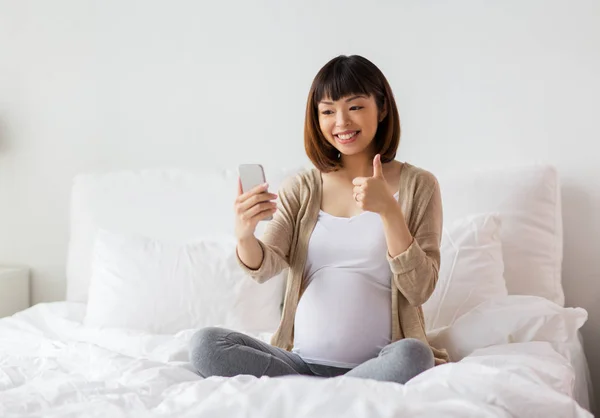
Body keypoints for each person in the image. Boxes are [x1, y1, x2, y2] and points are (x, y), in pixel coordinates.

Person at [188, 54, 449, 384]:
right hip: (299, 363)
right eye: (327, 111)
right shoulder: (303, 187)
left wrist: (389, 211)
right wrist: (244, 235)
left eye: (355, 106)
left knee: (415, 355)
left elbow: (420, 289)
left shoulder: (419, 185)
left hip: (381, 360)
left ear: (381, 109)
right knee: (205, 345)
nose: (341, 121)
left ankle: (322, 392)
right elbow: (265, 266)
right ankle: (334, 391)